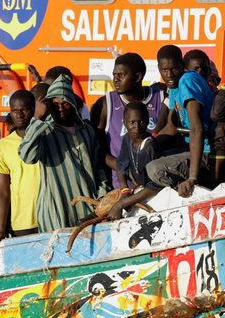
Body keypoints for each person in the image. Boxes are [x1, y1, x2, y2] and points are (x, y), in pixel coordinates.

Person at [19, 75, 108, 232]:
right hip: (56, 210)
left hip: (88, 208)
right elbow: (27, 156)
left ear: (73, 104)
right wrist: (37, 118)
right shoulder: (45, 131)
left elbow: (98, 167)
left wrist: (102, 196)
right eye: (55, 104)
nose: (60, 108)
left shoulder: (86, 131)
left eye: (65, 103)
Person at [91, 53, 162, 188]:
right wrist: (121, 167)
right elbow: (97, 147)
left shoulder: (160, 98)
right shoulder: (105, 104)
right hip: (122, 186)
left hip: (155, 182)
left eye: (121, 75)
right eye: (114, 75)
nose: (115, 79)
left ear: (137, 77)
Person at [148, 60, 214, 197]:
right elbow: (171, 126)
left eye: (174, 69)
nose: (169, 74)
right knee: (144, 158)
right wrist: (148, 144)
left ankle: (183, 188)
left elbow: (197, 130)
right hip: (191, 148)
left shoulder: (187, 81)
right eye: (164, 70)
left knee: (154, 169)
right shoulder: (174, 86)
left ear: (182, 67)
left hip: (206, 152)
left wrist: (192, 178)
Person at [0, 90, 40, 254]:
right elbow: (2, 191)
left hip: (50, 218)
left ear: (33, 109)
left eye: (24, 109)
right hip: (21, 223)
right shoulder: (1, 146)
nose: (19, 114)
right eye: (14, 110)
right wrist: (0, 229)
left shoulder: (46, 136)